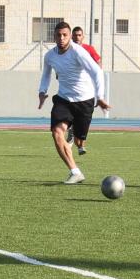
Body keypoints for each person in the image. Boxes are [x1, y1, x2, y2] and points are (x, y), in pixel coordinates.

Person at [38, 21, 109, 184]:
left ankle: (75, 132)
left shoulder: (78, 52)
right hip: (63, 99)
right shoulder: (49, 56)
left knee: (79, 142)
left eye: (65, 35)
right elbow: (46, 75)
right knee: (56, 132)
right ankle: (75, 171)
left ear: (70, 36)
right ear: (54, 36)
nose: (62, 38)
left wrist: (100, 96)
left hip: (85, 101)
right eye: (58, 35)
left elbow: (97, 72)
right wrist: (42, 91)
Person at [70, 26, 102, 155]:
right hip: (71, 88)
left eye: (79, 35)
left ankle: (79, 143)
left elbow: (98, 61)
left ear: (83, 36)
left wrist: (97, 74)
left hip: (86, 89)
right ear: (71, 36)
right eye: (75, 35)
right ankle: (72, 127)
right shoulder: (67, 49)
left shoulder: (88, 49)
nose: (77, 37)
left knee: (84, 118)